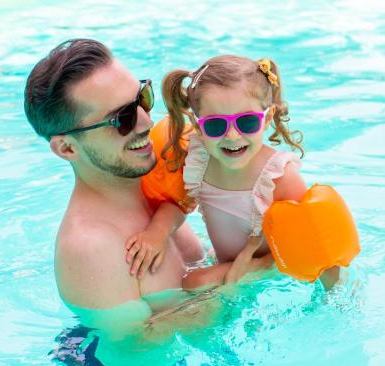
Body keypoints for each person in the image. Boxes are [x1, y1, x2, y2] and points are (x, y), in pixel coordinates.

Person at [24, 39, 273, 312]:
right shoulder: (91, 247)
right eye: (122, 118)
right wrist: (257, 272)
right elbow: (136, 349)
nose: (146, 122)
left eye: (142, 99)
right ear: (67, 148)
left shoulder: (154, 186)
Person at [125, 55, 340, 289]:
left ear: (267, 118)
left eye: (246, 122)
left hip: (272, 268)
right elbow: (179, 203)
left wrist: (332, 294)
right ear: (199, 125)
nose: (232, 136)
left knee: (194, 282)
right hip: (227, 262)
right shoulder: (198, 157)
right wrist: (157, 232)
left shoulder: (278, 176)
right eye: (216, 125)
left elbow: (313, 241)